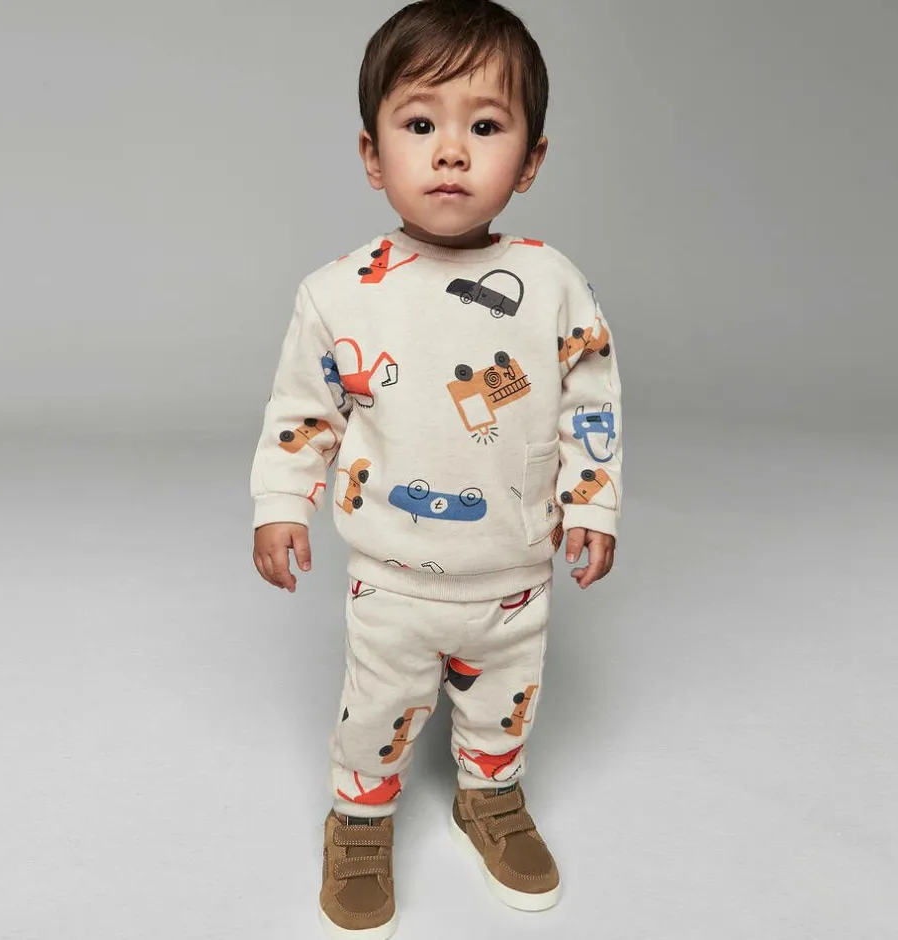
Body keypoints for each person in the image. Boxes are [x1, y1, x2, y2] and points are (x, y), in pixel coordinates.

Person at [249, 1, 623, 936]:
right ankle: (359, 815)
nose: (451, 152)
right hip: (390, 576)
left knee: (505, 703)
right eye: (420, 125)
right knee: (376, 706)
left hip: (515, 570)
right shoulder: (339, 293)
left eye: (485, 127)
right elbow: (303, 414)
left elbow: (591, 405)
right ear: (373, 155)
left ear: (530, 160)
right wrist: (281, 502)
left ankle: (489, 794)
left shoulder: (551, 284)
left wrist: (594, 506)